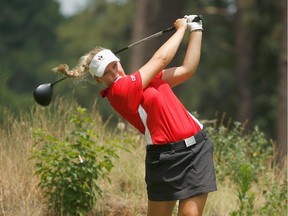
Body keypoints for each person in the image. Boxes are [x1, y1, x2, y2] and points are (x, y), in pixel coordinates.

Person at [53, 15, 217, 216]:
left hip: (196, 149)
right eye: (107, 72)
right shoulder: (119, 92)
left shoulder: (142, 79)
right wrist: (181, 28)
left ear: (119, 60)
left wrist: (196, 28)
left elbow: (187, 70)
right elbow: (161, 59)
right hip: (164, 158)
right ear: (98, 80)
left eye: (114, 65)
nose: (114, 73)